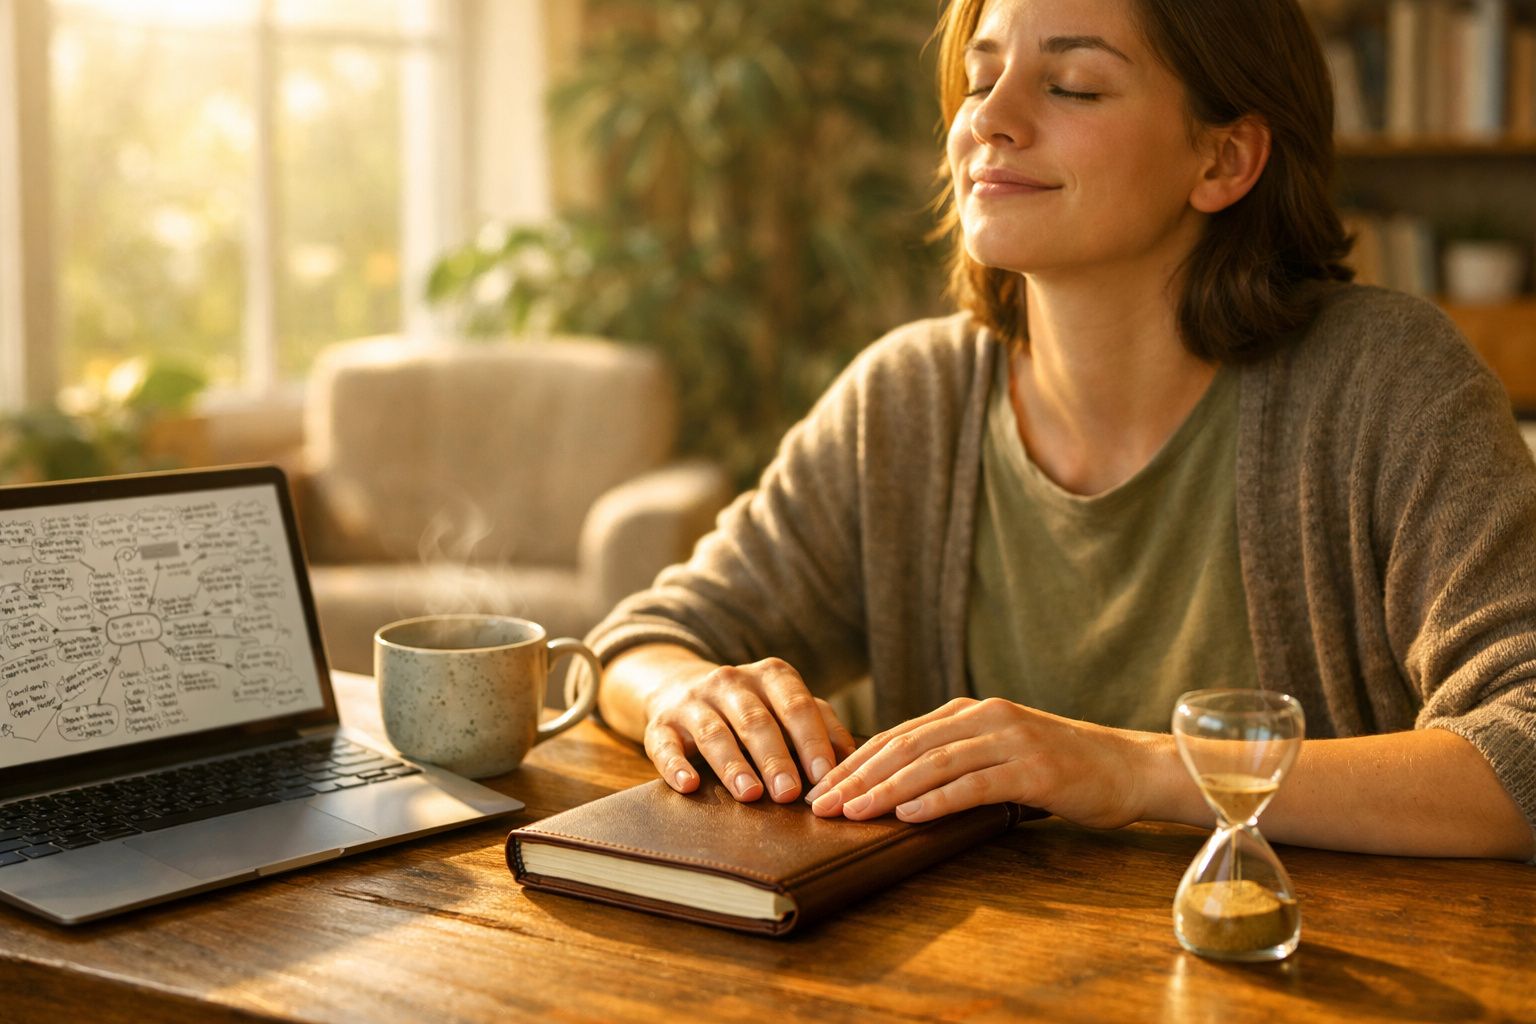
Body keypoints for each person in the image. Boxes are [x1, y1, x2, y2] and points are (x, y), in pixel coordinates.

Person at [585, 0, 1536, 861]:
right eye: (981, 75)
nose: (990, 119)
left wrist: (1133, 772)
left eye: (1073, 84)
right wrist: (685, 694)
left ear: (1224, 159)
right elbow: (645, 639)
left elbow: (1522, 742)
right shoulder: (908, 402)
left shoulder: (1384, 381)